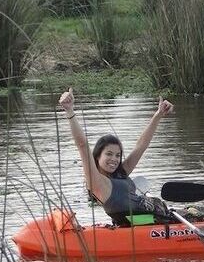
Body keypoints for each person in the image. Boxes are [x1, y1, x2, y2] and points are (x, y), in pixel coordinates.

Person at [59, 88, 177, 226]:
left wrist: (158, 115)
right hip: (144, 222)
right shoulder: (96, 182)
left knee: (193, 213)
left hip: (154, 216)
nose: (114, 159)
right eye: (109, 154)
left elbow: (141, 146)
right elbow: (82, 145)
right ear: (97, 156)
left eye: (118, 155)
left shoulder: (121, 173)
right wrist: (69, 111)